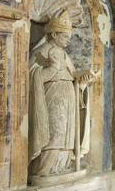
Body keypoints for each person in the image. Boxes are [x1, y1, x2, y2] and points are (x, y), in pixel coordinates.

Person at [29, 10, 99, 180]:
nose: (68, 40)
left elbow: (73, 75)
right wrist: (52, 69)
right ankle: (43, 170)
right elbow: (33, 76)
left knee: (67, 135)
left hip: (68, 97)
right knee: (55, 133)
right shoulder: (43, 51)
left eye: (69, 36)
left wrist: (84, 80)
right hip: (52, 97)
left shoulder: (65, 55)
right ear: (54, 33)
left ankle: (63, 166)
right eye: (65, 36)